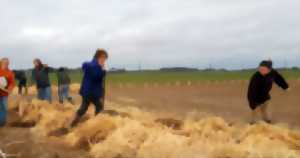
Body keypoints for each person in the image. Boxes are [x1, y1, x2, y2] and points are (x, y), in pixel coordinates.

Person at [71, 49, 108, 127]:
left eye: (105, 59)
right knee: (99, 106)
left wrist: (101, 68)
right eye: (104, 58)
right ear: (100, 57)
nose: (104, 60)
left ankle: (74, 121)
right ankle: (96, 123)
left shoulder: (92, 64)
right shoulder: (94, 65)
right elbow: (96, 76)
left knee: (84, 107)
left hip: (87, 91)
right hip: (90, 92)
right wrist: (103, 71)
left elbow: (86, 66)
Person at [0, 58, 15, 127]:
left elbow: (12, 83)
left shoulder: (10, 73)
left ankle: (2, 122)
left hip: (4, 94)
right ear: (1, 63)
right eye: (4, 63)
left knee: (4, 108)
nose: (6, 64)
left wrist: (9, 89)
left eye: (7, 63)